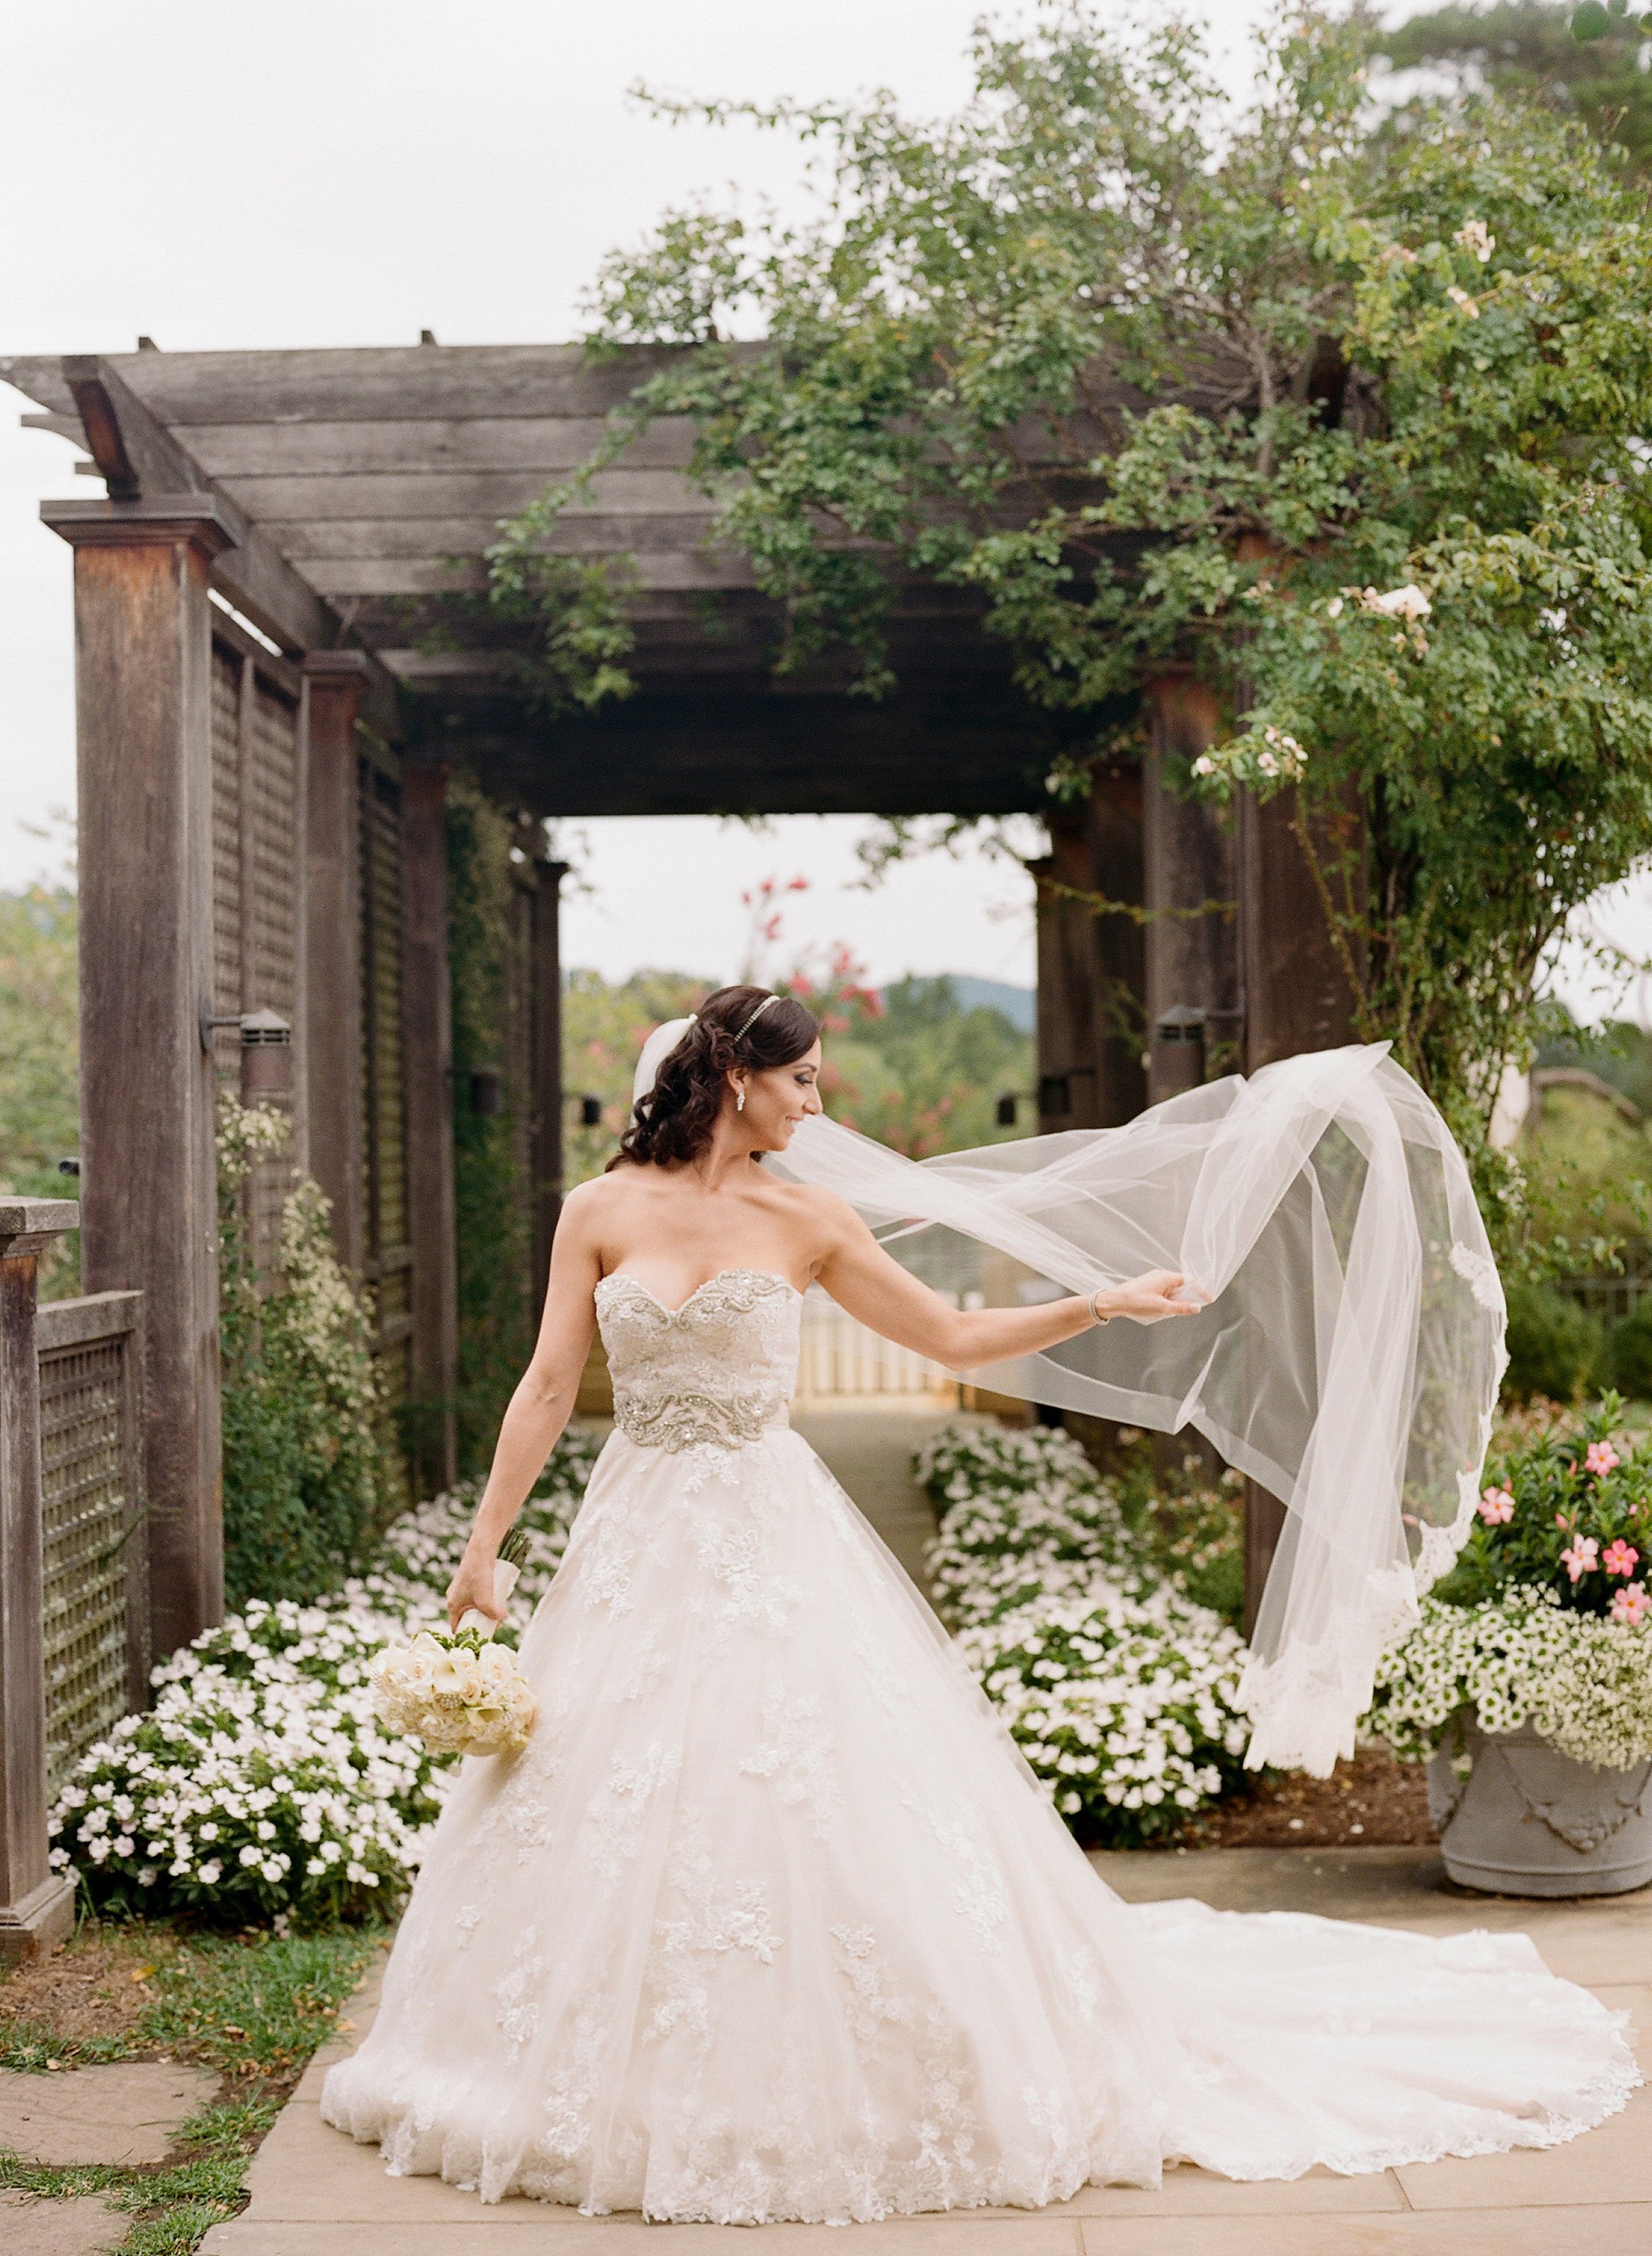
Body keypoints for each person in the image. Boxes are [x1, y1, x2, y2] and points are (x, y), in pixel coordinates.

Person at [321, 985, 1637, 2225]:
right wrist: (487, 1547)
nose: (817, 1108)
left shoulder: (810, 1222)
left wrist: (1099, 1301)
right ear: (731, 1080)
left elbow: (948, 1339)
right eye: (800, 1082)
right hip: (631, 1535)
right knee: (604, 1786)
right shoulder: (596, 1209)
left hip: (768, 1534)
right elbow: (549, 1386)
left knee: (796, 1788)